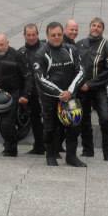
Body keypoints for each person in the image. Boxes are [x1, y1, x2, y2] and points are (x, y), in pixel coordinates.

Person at [32, 22, 87, 167]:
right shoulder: (40, 53)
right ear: (47, 36)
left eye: (59, 34)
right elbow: (40, 79)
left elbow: (81, 71)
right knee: (50, 128)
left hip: (70, 95)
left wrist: (70, 91)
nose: (56, 37)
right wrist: (59, 93)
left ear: (63, 34)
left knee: (74, 126)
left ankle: (71, 156)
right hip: (50, 97)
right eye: (53, 35)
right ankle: (50, 155)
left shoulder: (72, 50)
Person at [0, 34, 33, 157]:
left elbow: (28, 77)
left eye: (2, 44)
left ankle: (11, 147)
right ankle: (10, 144)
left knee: (6, 123)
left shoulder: (17, 56)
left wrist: (25, 95)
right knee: (4, 123)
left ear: (8, 43)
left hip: (14, 93)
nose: (0, 47)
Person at [76, 17, 108, 160]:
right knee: (84, 120)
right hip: (81, 89)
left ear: (102, 29)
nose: (96, 28)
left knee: (106, 119)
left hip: (99, 89)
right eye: (93, 25)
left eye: (99, 26)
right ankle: (88, 150)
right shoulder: (79, 44)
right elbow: (75, 67)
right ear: (89, 27)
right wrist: (79, 84)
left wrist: (91, 84)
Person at [17, 23, 46, 155]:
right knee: (35, 120)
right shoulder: (21, 52)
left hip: (46, 91)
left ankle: (53, 147)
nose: (31, 37)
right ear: (24, 35)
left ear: (37, 35)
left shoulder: (46, 49)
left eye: (33, 34)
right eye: (28, 35)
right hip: (30, 93)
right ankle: (39, 146)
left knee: (49, 120)